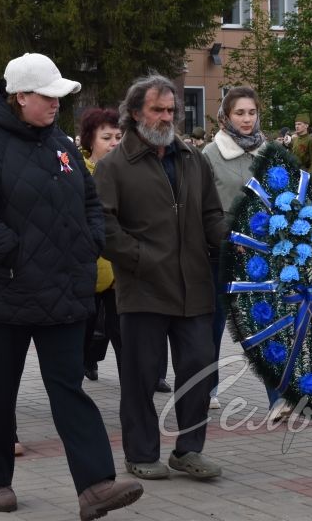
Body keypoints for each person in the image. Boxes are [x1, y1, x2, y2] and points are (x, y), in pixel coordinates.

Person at [0, 53, 142, 517]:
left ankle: (96, 486)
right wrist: (15, 254)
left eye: (60, 95)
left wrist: (89, 242)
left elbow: (89, 200)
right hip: (5, 292)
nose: (57, 103)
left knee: (68, 389)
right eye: (48, 95)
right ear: (20, 96)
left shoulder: (59, 144)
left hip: (61, 292)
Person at [94, 73, 227, 481]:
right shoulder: (114, 165)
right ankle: (141, 452)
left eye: (172, 109)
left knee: (199, 371)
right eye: (158, 109)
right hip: (143, 289)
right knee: (140, 377)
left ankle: (189, 450)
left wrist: (234, 240)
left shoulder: (191, 158)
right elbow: (102, 226)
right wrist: (140, 259)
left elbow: (211, 214)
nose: (167, 117)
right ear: (135, 114)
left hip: (194, 288)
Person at [201, 86, 277, 415]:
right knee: (214, 325)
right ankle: (207, 387)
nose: (247, 119)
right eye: (239, 113)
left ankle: (279, 398)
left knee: (266, 324)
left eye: (251, 112)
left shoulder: (269, 151)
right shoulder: (210, 154)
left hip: (263, 254)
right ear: (225, 117)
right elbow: (204, 207)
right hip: (223, 253)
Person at [78, 107, 124, 382]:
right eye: (106, 137)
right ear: (89, 140)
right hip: (87, 268)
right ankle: (78, 377)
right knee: (83, 333)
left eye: (118, 136)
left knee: (124, 335)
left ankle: (138, 386)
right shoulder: (79, 172)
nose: (114, 143)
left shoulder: (127, 171)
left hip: (120, 269)